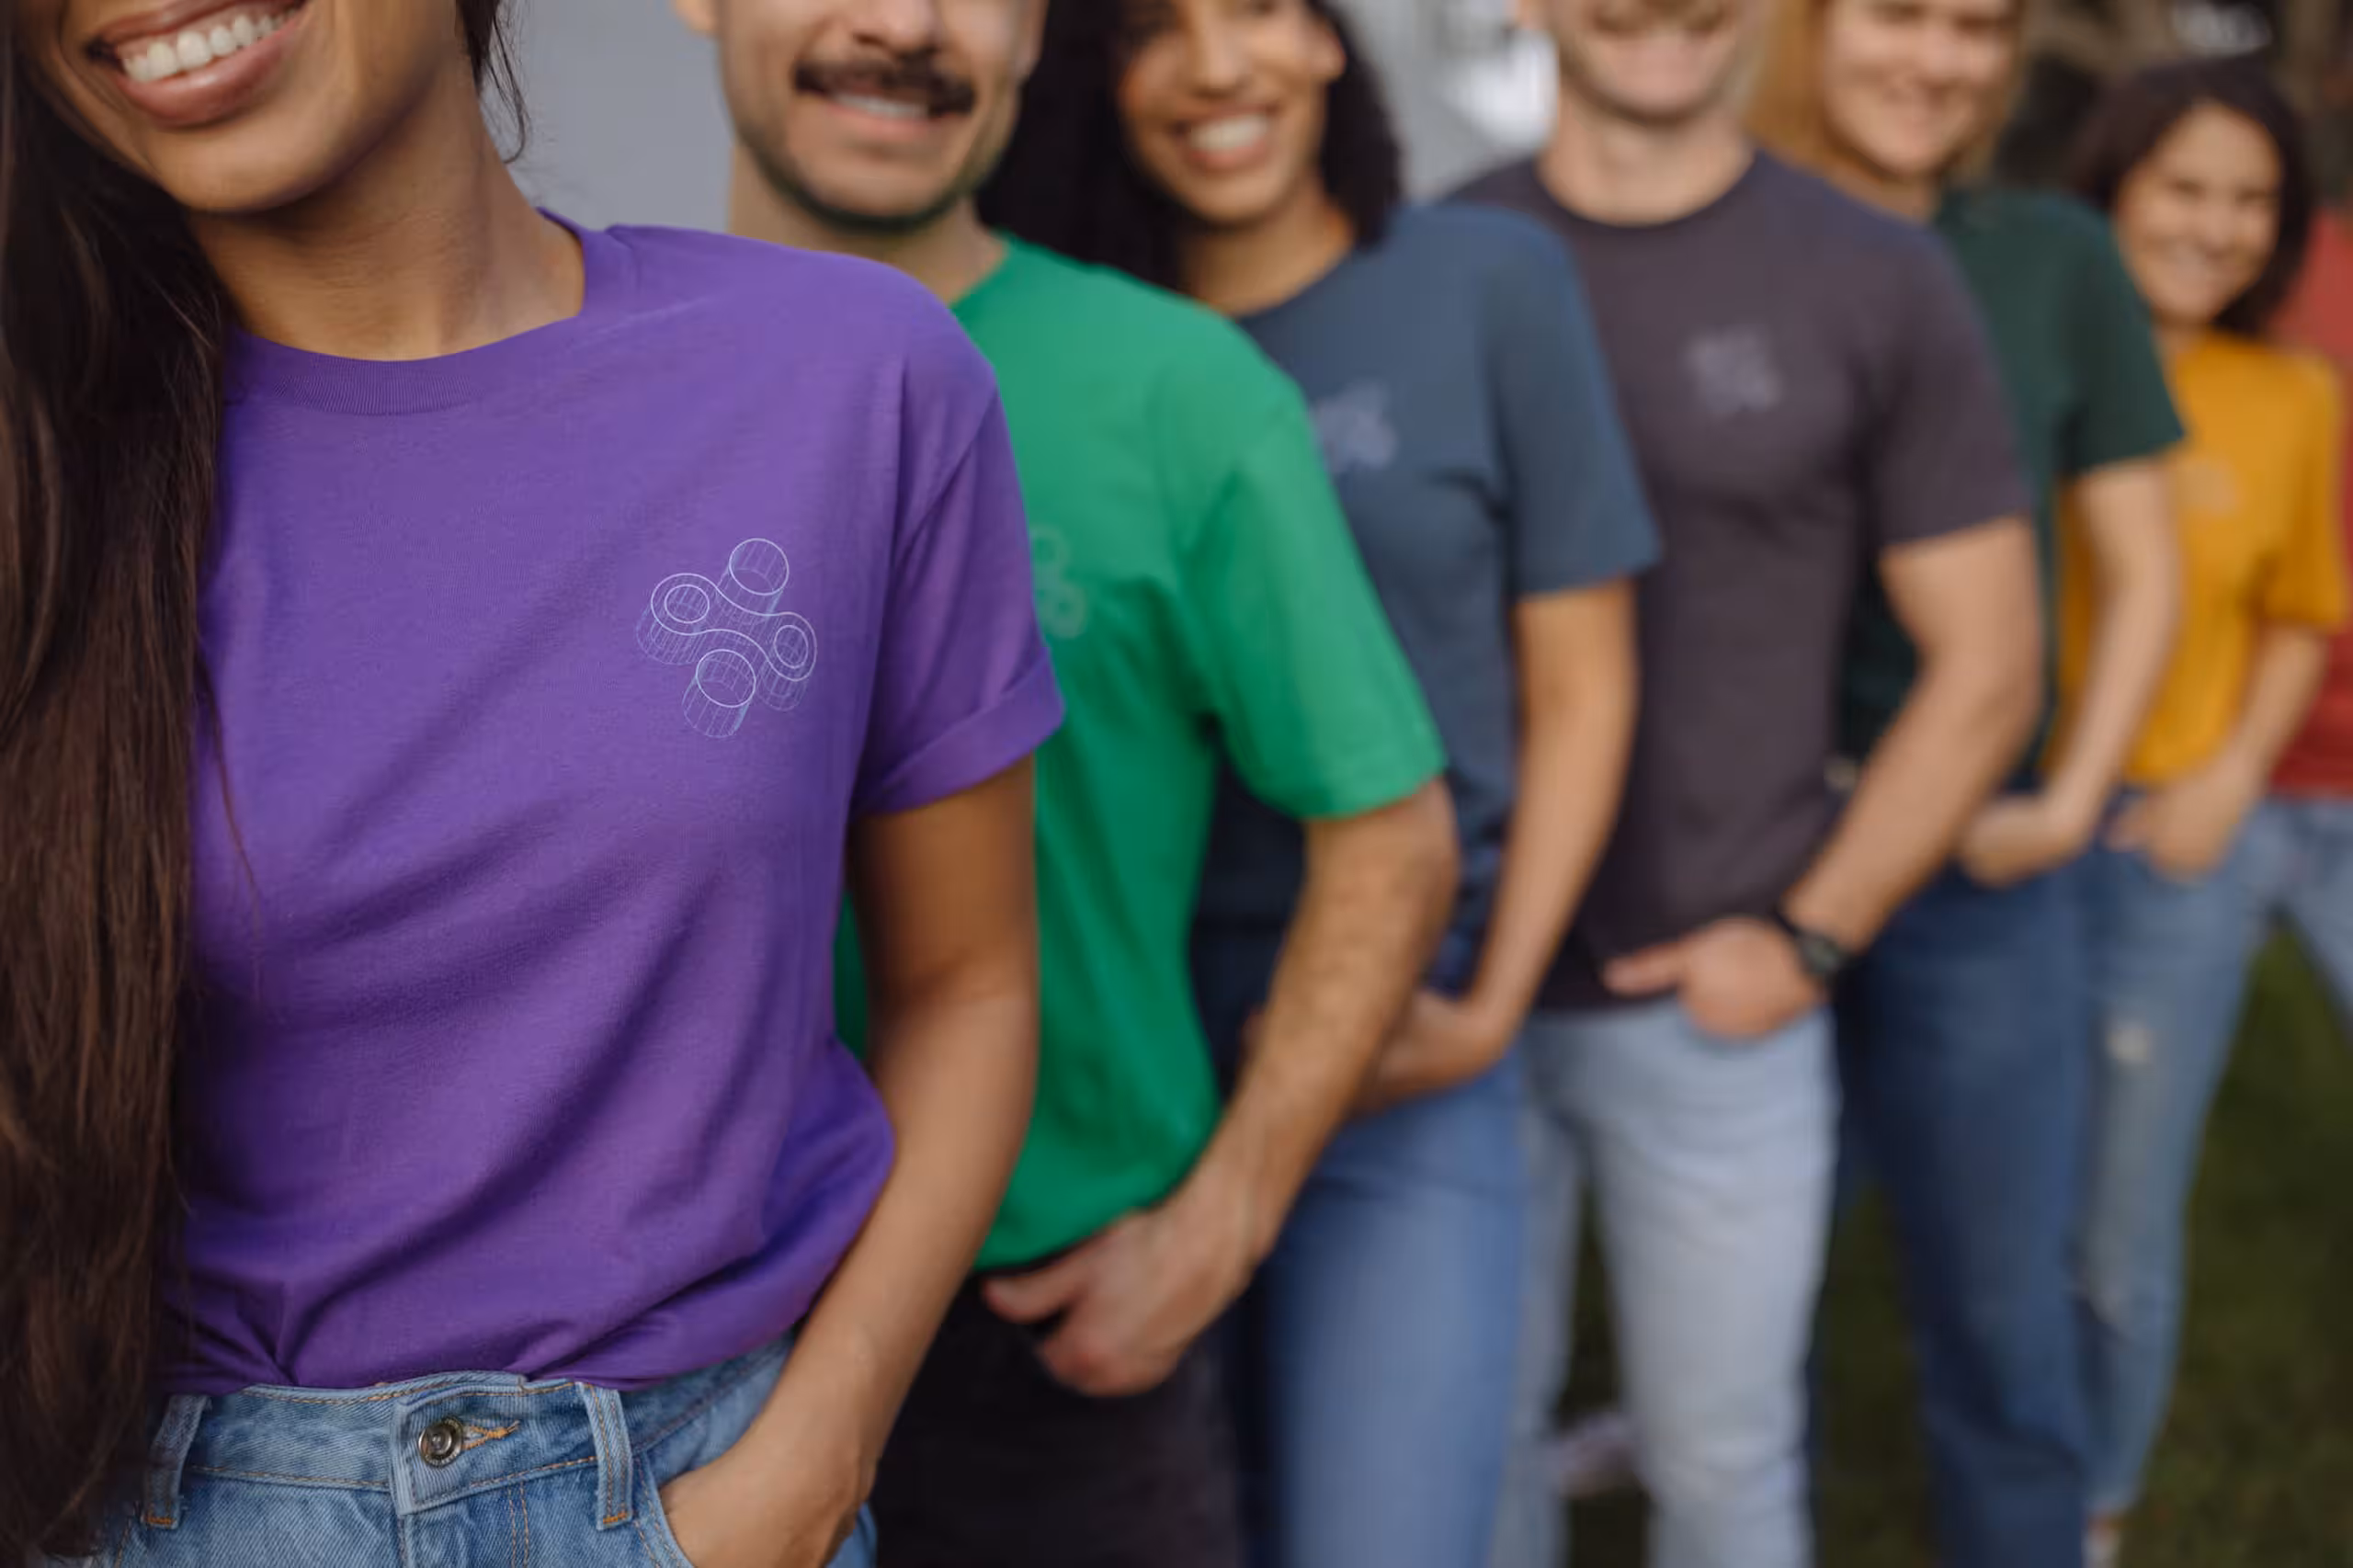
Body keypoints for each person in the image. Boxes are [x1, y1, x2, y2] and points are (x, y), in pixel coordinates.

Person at [2, 0, 1071, 1563]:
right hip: (163, 1509)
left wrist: (812, 1463)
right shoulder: (41, 476)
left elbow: (969, 986)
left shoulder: (852, 378)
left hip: (707, 1495)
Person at [670, 2, 1463, 1564]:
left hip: (1057, 1337)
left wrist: (1217, 1222)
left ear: (1039, 29)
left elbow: (1391, 834)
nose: (898, 22)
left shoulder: (1184, 390)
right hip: (666, 1351)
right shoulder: (576, 363)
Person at [978, 3, 1655, 1564]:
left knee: (1387, 1527)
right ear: (1094, 72)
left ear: (1335, 43)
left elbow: (1584, 678)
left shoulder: (1488, 285)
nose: (1220, 67)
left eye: (1264, 9)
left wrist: (1489, 1004)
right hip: (1123, 1051)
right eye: (1156, 28)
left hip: (1405, 1040)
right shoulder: (1059, 337)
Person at [1451, 0, 2048, 1558]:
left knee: (1721, 1466)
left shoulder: (1873, 273)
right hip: (1445, 997)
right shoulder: (1424, 256)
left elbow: (1989, 660)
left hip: (1714, 1002)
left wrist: (1808, 936)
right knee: (1461, 1467)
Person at [1744, 0, 2184, 1561]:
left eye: (1977, 27)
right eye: (1897, 18)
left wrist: (2070, 797)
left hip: (1979, 870)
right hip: (1753, 848)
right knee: (1737, 1301)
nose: (1937, 61)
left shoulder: (2051, 259)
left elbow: (2142, 564)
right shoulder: (1710, 222)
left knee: (2002, 1312)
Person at [2063, 59, 2347, 1567]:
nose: (2217, 227)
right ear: (2110, 187)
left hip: (2167, 848)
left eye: (2252, 200)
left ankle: (2093, 1496)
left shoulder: (2292, 393)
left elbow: (2302, 607)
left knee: (2118, 1219)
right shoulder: (2015, 346)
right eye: (2184, 188)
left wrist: (2231, 773)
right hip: (1979, 831)